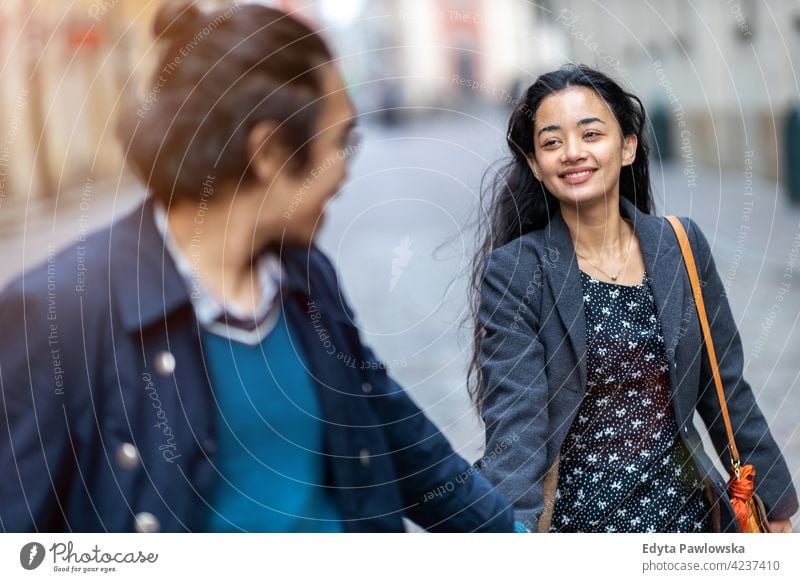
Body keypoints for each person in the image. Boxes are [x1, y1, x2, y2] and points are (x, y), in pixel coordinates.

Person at [0, 1, 513, 533]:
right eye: (340, 142)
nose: (344, 170)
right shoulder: (58, 311)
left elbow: (400, 435)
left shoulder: (306, 277)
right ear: (268, 150)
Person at [469, 64, 797, 533]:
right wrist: (512, 537)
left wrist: (773, 501)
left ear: (627, 146)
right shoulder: (518, 270)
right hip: (576, 528)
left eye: (591, 134)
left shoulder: (680, 246)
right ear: (535, 166)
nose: (573, 153)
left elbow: (724, 387)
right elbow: (516, 421)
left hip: (687, 525)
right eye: (552, 142)